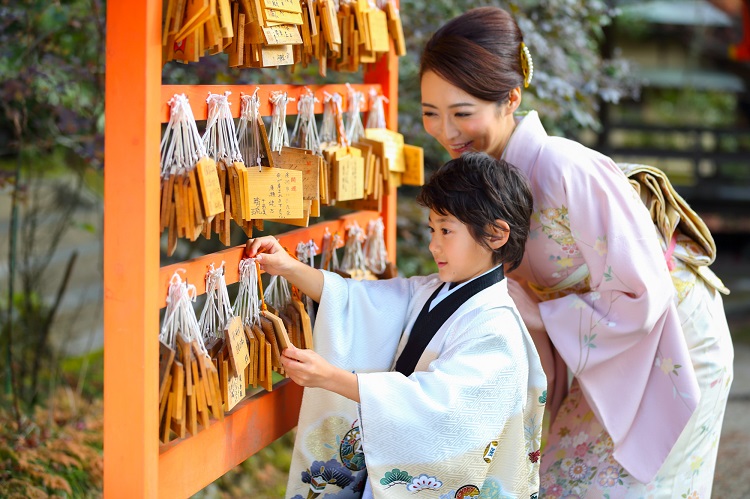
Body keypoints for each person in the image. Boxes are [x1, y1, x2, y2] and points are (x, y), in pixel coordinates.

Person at [419, 6, 734, 498]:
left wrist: (539, 314)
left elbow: (643, 292)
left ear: (511, 100)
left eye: (462, 113)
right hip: (600, 339)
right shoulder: (481, 181)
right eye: (430, 114)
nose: (447, 131)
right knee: (562, 482)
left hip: (670, 333)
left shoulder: (567, 168)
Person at [246, 152, 546, 499]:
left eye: (446, 230)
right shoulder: (434, 290)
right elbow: (363, 302)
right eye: (432, 229)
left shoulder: (496, 327)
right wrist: (288, 267)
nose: (434, 244)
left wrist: (331, 378)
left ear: (495, 235)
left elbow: (437, 407)